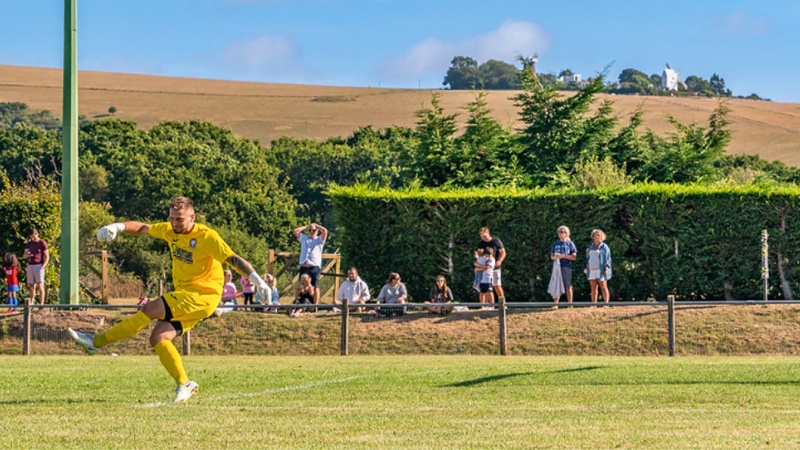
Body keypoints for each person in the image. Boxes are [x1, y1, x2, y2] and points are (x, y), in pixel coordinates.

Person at [68, 196, 271, 403]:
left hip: (203, 296)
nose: (175, 223)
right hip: (188, 297)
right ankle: (184, 383)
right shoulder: (170, 230)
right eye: (172, 218)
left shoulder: (207, 236)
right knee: (158, 338)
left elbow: (233, 259)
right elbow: (142, 228)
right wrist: (117, 227)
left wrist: (258, 281)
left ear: (192, 217)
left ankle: (96, 342)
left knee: (150, 309)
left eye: (180, 219)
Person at [293, 223, 328, 306]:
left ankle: (315, 305)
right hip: (304, 266)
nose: (311, 232)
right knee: (300, 285)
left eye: (313, 230)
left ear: (317, 231)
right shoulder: (304, 238)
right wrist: (307, 226)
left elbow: (325, 231)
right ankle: (296, 303)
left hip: (314, 267)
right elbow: (295, 230)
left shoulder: (319, 240)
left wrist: (317, 226)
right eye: (310, 230)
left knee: (315, 286)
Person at [550, 226, 577, 305]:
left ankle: (570, 303)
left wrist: (564, 256)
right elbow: (552, 256)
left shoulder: (570, 244)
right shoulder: (555, 244)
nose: (562, 233)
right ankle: (556, 303)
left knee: (568, 285)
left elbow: (574, 257)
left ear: (567, 233)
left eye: (564, 232)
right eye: (560, 232)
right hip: (557, 266)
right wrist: (555, 257)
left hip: (566, 266)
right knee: (556, 284)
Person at [477, 227, 506, 302]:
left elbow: (503, 252)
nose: (484, 238)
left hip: (495, 267)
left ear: (488, 233)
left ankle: (502, 303)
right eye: (482, 236)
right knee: (486, 287)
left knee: (497, 285)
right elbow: (479, 254)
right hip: (485, 268)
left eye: (485, 236)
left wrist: (499, 261)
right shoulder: (481, 243)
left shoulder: (496, 241)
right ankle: (487, 305)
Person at [586, 229, 612, 305]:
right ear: (593, 237)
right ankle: (594, 304)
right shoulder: (590, 247)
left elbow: (608, 259)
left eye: (598, 235)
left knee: (603, 286)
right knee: (593, 287)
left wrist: (606, 268)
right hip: (592, 269)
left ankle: (606, 304)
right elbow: (588, 258)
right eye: (595, 235)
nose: (597, 237)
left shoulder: (604, 247)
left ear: (602, 237)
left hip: (600, 269)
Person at [23, 228, 49, 305]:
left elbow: (47, 256)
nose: (32, 238)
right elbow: (24, 256)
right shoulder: (29, 244)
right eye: (31, 236)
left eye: (34, 236)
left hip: (39, 265)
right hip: (31, 265)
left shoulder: (42, 243)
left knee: (40, 285)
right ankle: (31, 303)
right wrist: (27, 255)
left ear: (37, 234)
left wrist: (43, 266)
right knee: (31, 286)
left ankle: (41, 304)